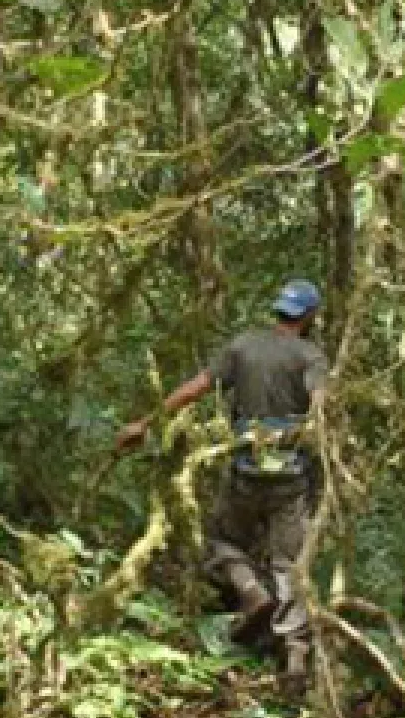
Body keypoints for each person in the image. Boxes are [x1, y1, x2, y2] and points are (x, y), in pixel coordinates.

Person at [116, 278, 329, 694]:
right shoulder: (310, 355)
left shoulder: (243, 346)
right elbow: (321, 403)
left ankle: (250, 591)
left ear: (278, 310)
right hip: (290, 477)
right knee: (290, 564)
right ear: (308, 317)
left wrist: (144, 423)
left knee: (221, 542)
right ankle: (295, 656)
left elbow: (197, 387)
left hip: (246, 470)